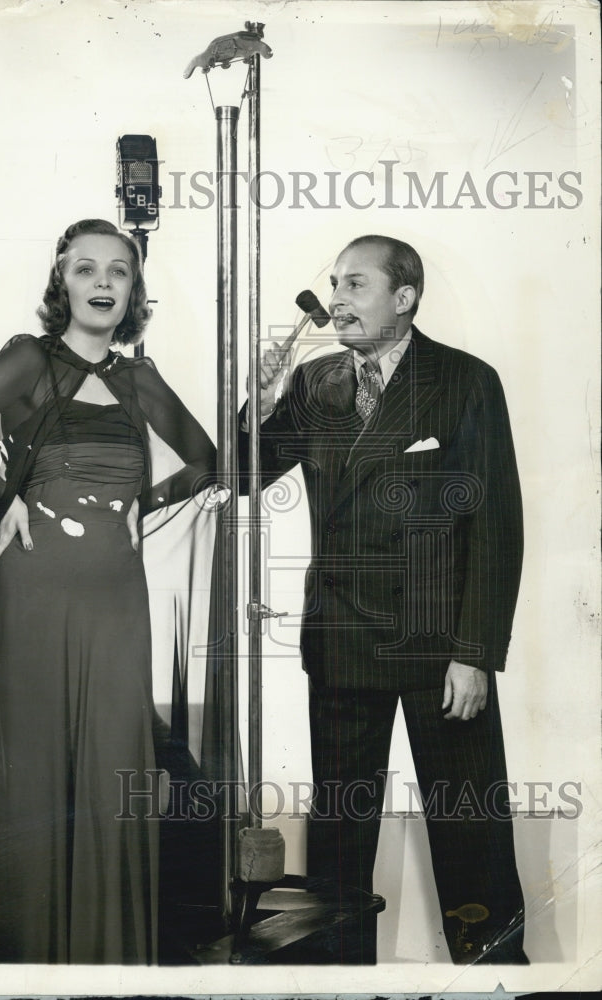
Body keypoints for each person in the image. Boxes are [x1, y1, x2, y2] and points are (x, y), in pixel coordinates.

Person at [0, 219, 216, 964]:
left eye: (117, 271)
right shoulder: (29, 360)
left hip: (116, 600)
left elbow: (205, 461)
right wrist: (7, 494)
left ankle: (106, 951)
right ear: (61, 284)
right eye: (85, 269)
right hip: (32, 593)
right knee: (30, 768)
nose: (101, 283)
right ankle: (30, 953)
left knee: (111, 761)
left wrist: (144, 504)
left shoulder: (140, 379)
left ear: (134, 290)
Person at [239, 235, 527, 964]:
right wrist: (258, 396)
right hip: (340, 638)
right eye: (333, 284)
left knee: (470, 829)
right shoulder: (313, 381)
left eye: (355, 285)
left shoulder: (464, 380)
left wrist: (475, 653)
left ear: (403, 298)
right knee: (338, 838)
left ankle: (493, 972)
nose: (335, 299)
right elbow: (241, 474)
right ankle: (337, 976)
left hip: (437, 648)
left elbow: (496, 526)